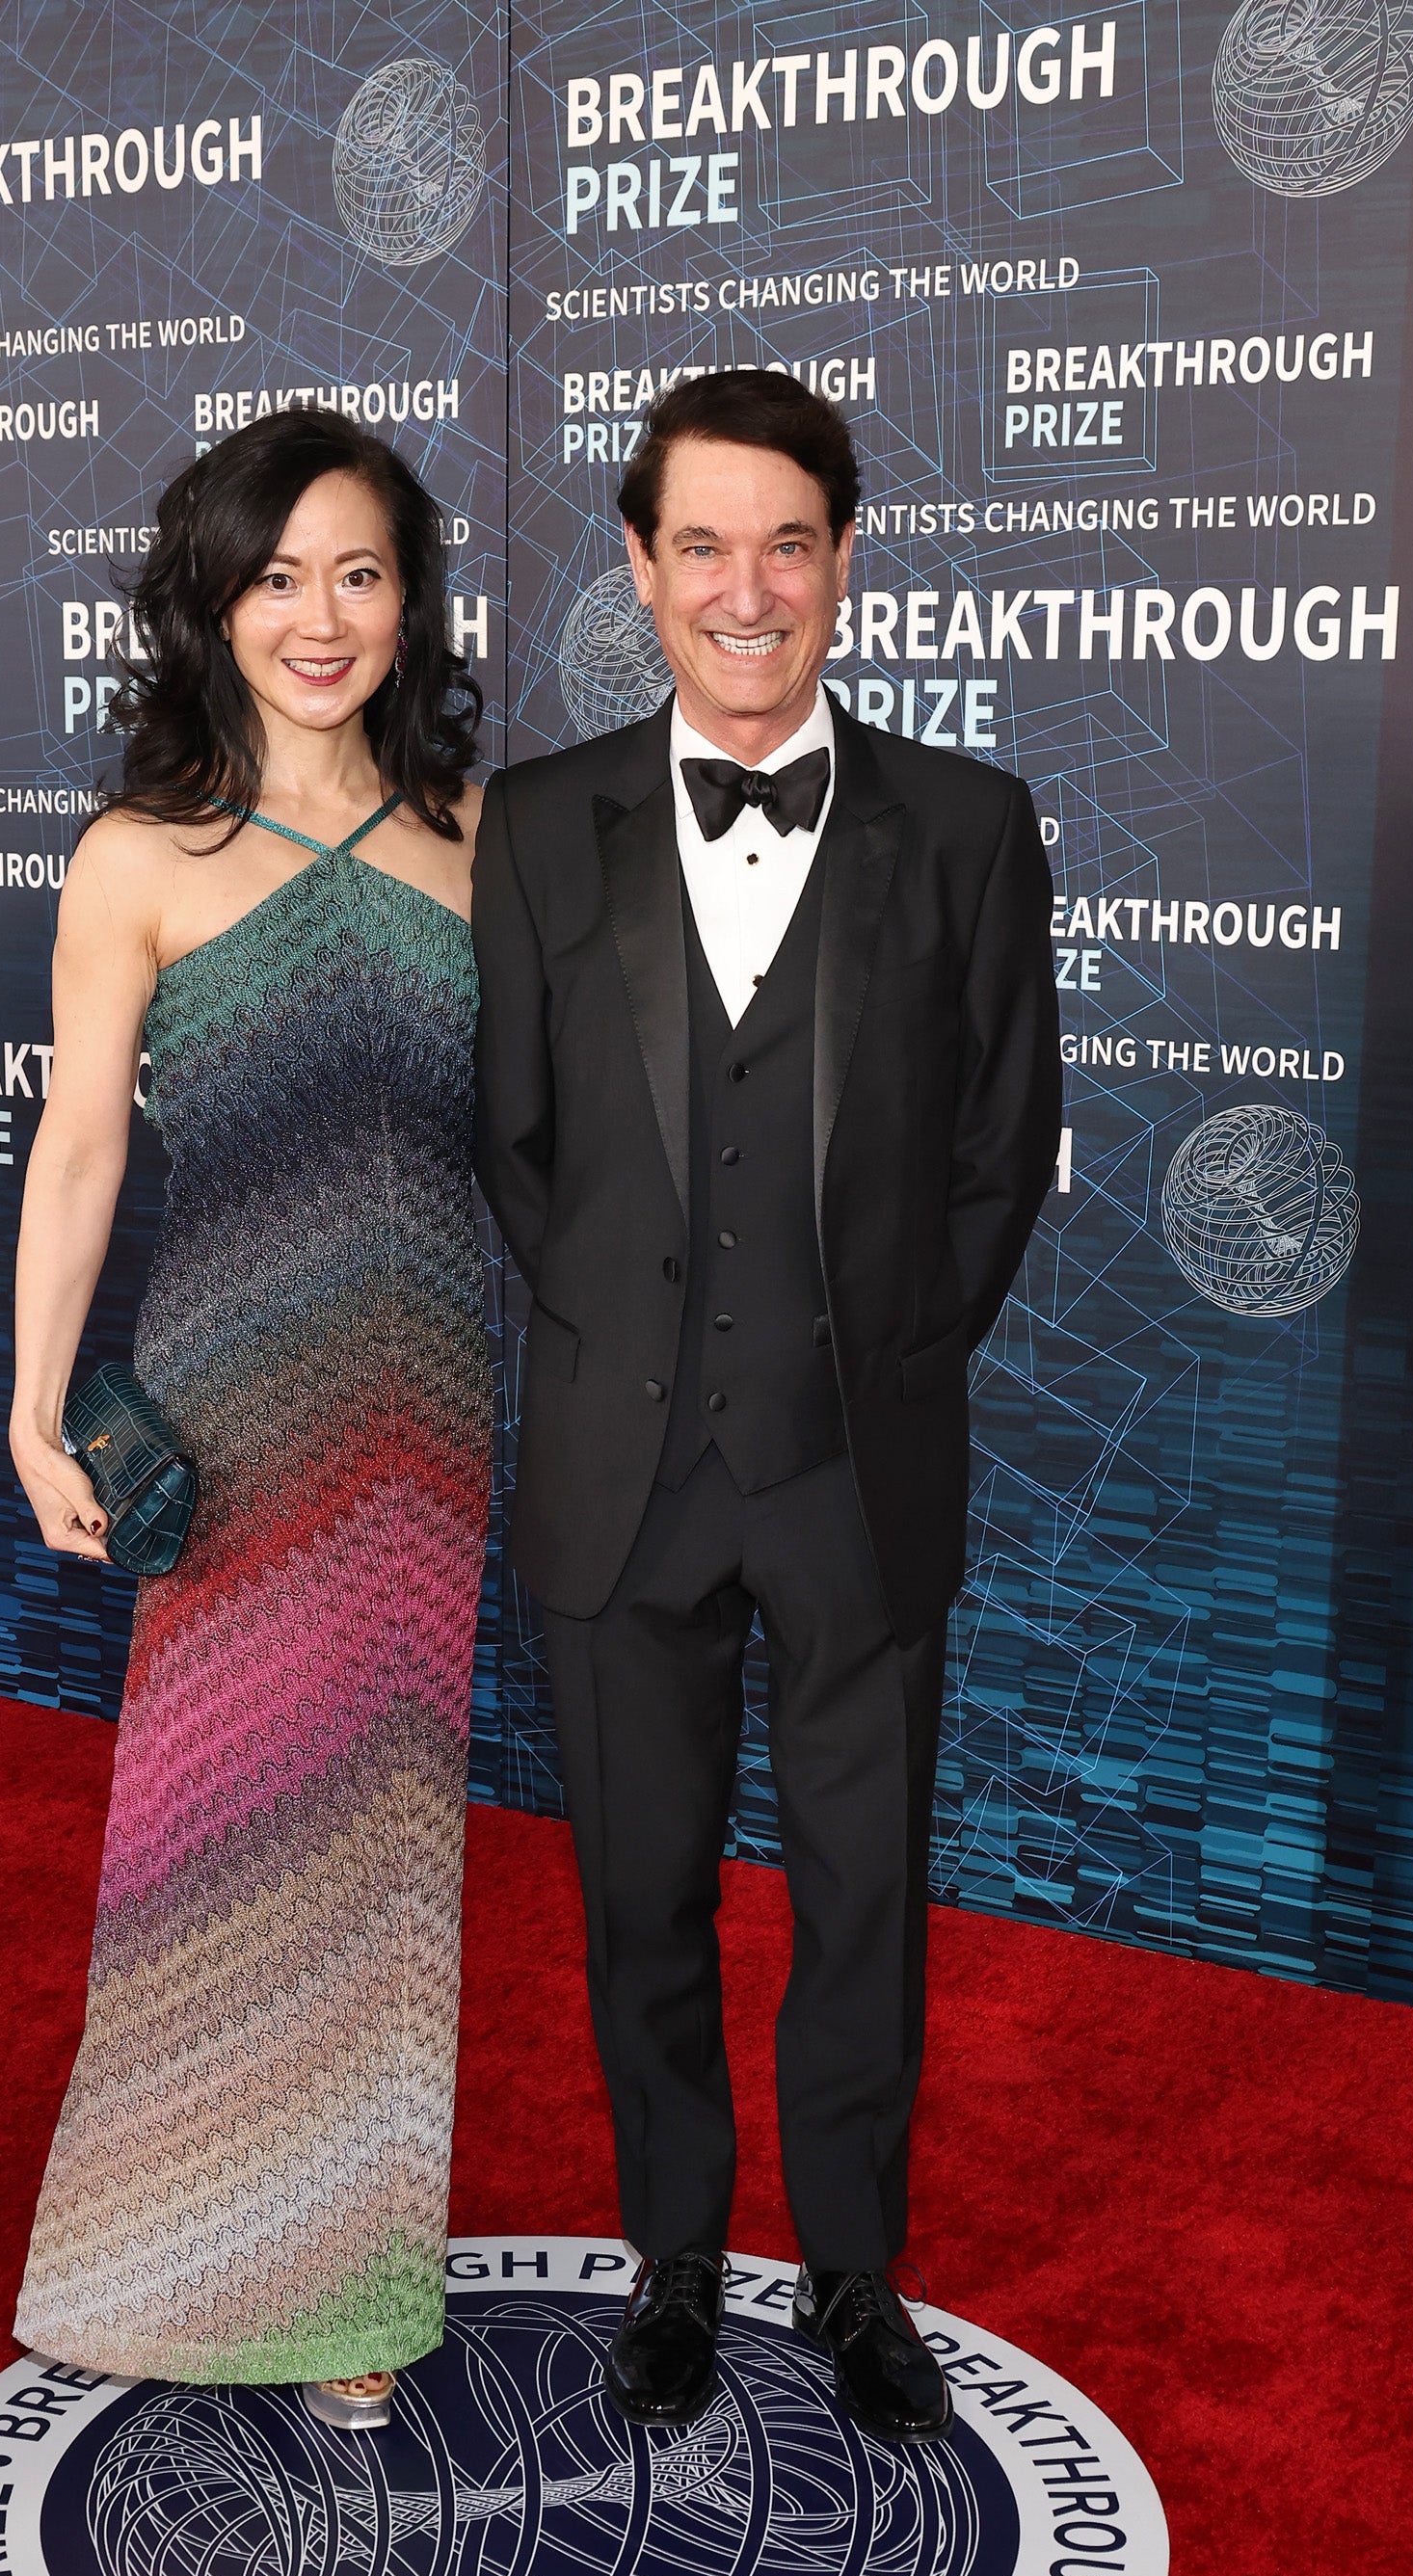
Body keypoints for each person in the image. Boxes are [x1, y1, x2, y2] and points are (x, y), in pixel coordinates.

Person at [471, 369, 1059, 2440]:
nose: (747, 588)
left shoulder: (970, 828)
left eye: (785, 543)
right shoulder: (537, 824)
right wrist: (633, 1354)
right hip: (617, 1479)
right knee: (635, 1898)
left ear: (841, 559)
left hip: (855, 1472)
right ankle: (671, 2260)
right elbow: (517, 1149)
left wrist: (880, 1366)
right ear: (637, 569)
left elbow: (1000, 1153)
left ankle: (855, 2271)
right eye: (700, 544)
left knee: (860, 1901)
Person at [8, 409, 490, 2432]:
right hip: (233, 1401)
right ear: (210, 597)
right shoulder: (140, 856)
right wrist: (36, 1411)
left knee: (385, 1841)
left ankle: (354, 2280)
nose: (319, 617)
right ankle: (180, 2252)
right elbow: (83, 1146)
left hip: (435, 1411)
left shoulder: (487, 851)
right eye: (276, 573)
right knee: (216, 1836)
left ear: (411, 604)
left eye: (359, 573)